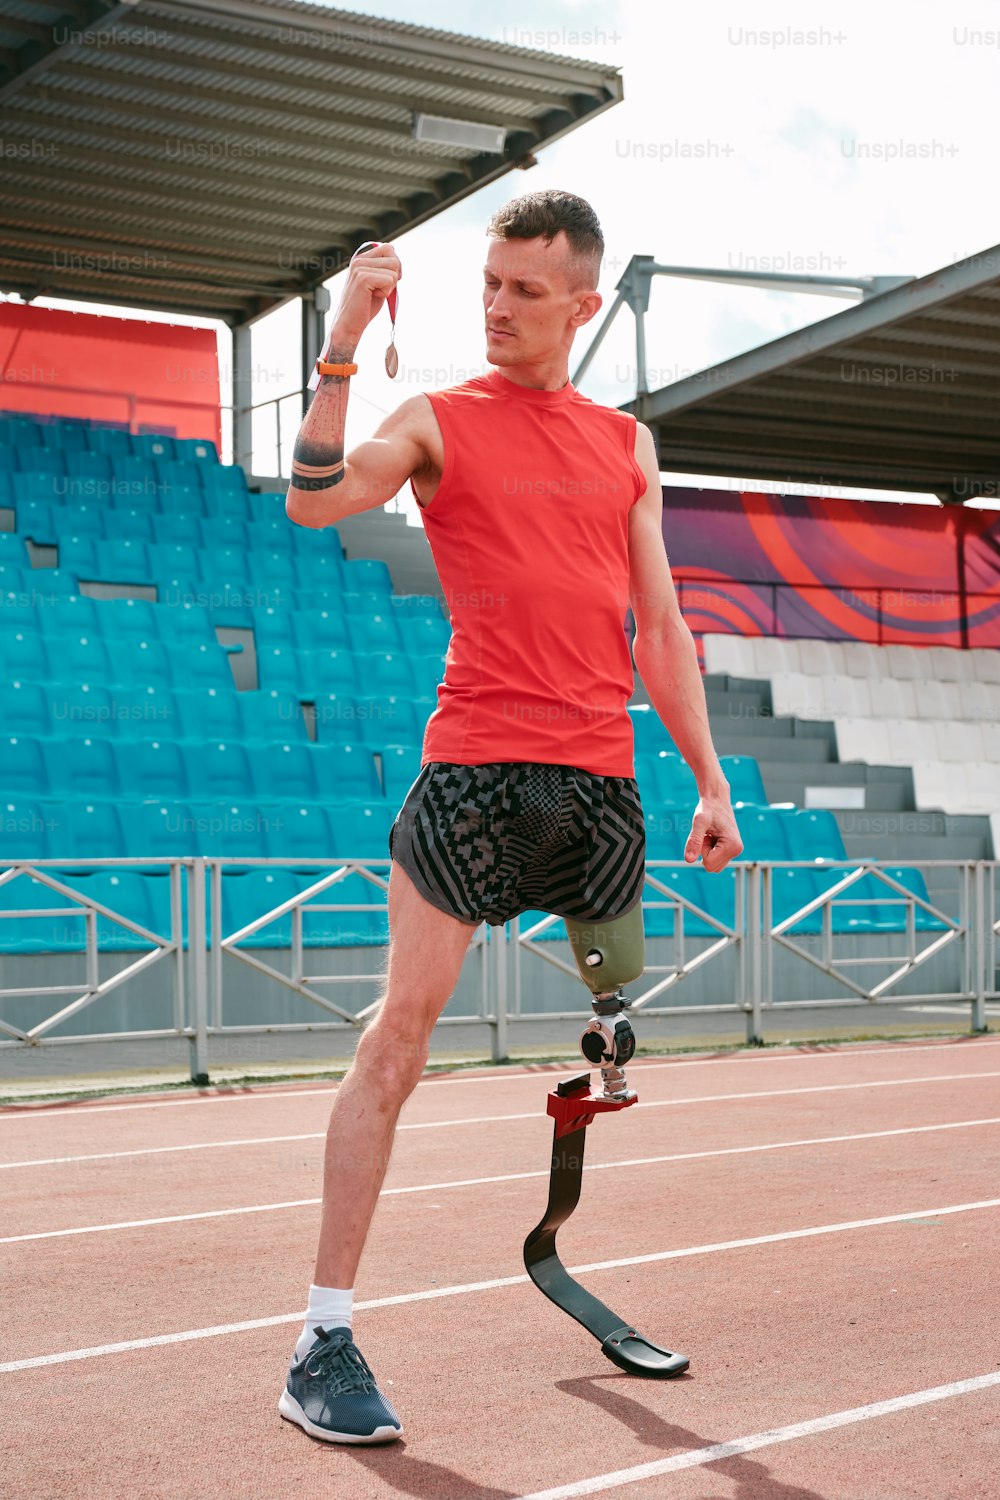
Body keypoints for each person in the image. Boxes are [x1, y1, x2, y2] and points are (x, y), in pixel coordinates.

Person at [279, 189, 742, 1444]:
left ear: (581, 304)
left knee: (617, 1001)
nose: (495, 306)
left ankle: (567, 1178)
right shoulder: (436, 419)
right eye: (487, 283)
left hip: (598, 786)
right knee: (401, 1038)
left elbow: (660, 623)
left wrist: (706, 779)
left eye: (524, 290)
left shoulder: (626, 443)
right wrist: (340, 338)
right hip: (476, 775)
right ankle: (322, 1338)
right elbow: (315, 498)